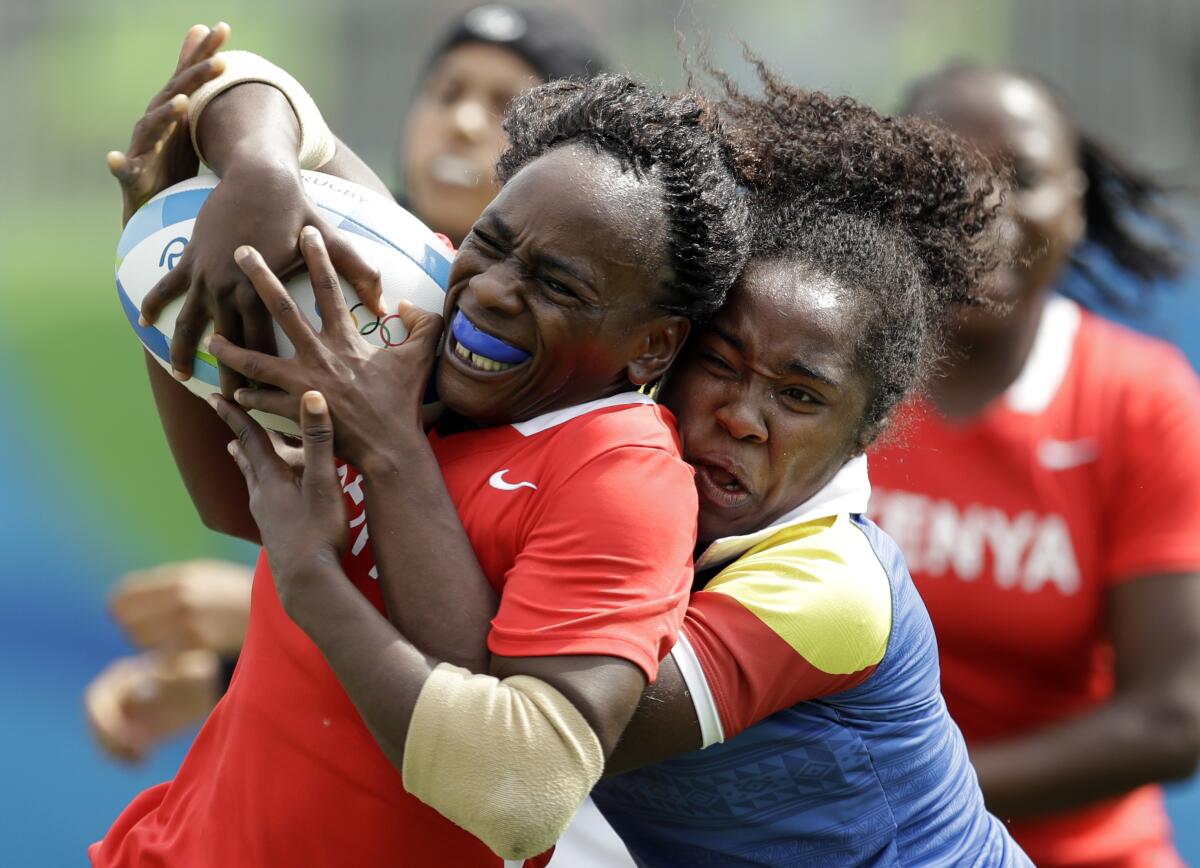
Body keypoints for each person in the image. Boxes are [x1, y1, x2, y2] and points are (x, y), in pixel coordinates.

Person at [198, 57, 1029, 864]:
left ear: (862, 434)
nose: (741, 416)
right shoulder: (525, 353)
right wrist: (262, 166)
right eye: (719, 363)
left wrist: (366, 483)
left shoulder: (832, 585)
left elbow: (519, 738)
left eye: (800, 396)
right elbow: (264, 96)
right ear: (661, 348)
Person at [91, 52, 748, 868]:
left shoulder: (622, 475)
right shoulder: (420, 304)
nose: (493, 291)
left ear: (652, 346)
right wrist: (236, 184)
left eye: (558, 285)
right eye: (493, 243)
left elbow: (519, 793)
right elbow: (250, 85)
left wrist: (327, 561)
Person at [86, 4, 610, 763]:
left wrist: (245, 618)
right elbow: (246, 79)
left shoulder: (568, 384)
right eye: (445, 89)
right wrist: (180, 257)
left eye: (504, 105)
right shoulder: (348, 253)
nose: (462, 122)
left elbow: (488, 690)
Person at [867, 62, 1200, 867]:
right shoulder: (817, 370)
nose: (986, 210)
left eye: (1026, 178)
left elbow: (1175, 716)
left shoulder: (1139, 400)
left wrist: (916, 795)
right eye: (947, 175)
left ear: (1077, 206)